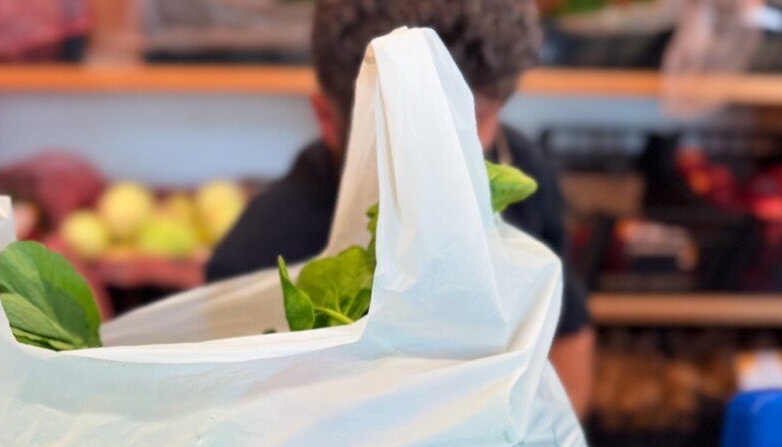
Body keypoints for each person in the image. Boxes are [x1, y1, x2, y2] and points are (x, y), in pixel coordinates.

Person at [207, 0, 595, 417]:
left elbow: (568, 340)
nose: (457, 154)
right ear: (327, 119)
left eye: (476, 119)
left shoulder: (516, 170)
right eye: (418, 126)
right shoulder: (256, 255)